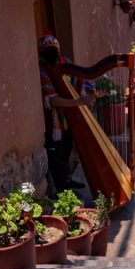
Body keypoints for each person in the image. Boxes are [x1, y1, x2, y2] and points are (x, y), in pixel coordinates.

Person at [37, 35, 96, 194]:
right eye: (47, 50)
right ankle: (62, 188)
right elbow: (53, 100)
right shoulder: (42, 71)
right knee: (57, 154)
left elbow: (81, 79)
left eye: (53, 50)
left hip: (69, 118)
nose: (51, 53)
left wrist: (88, 92)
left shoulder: (66, 64)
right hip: (54, 120)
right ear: (42, 53)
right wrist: (77, 103)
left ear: (58, 50)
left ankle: (67, 181)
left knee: (67, 149)